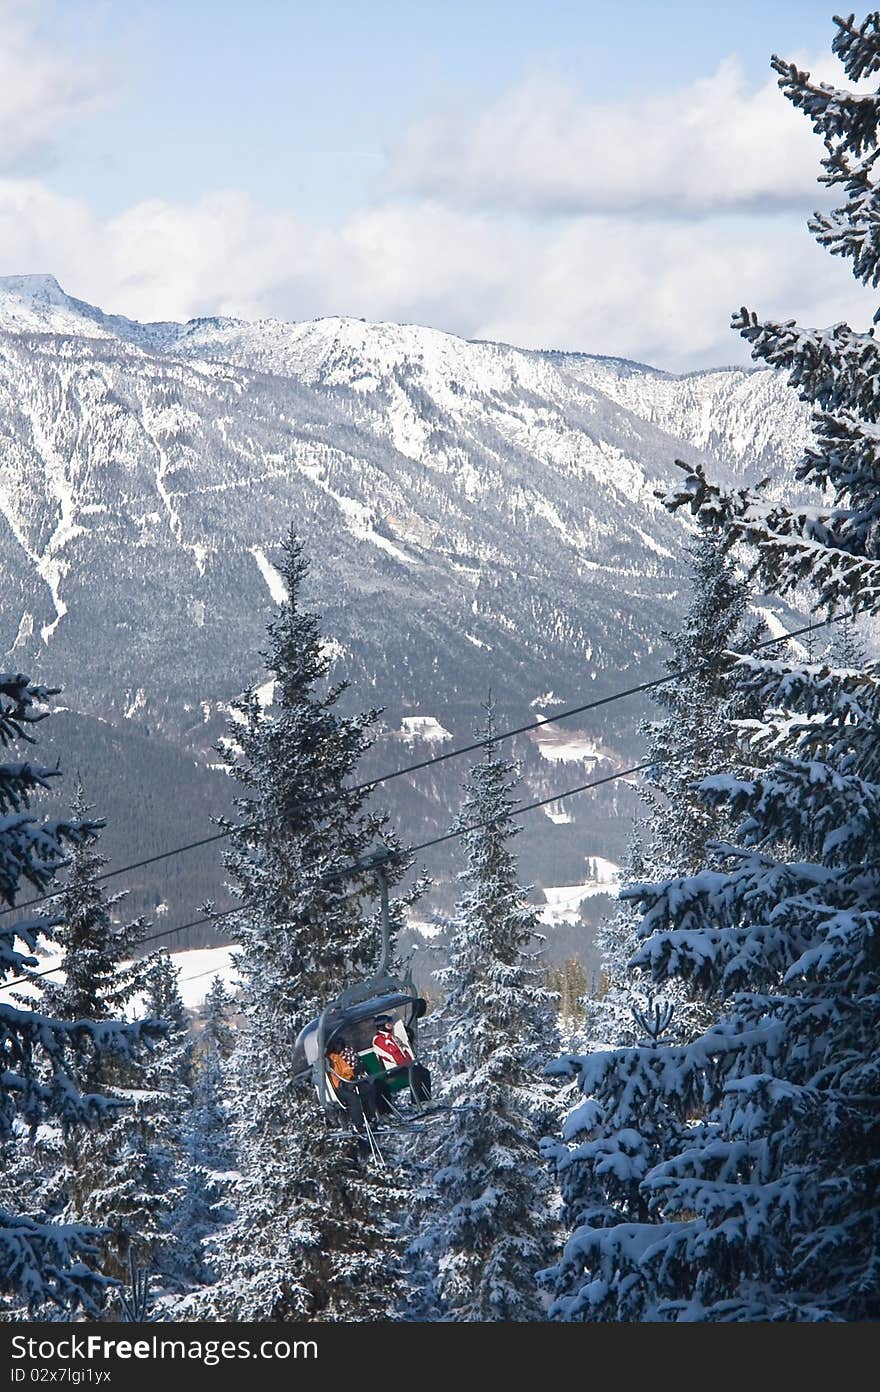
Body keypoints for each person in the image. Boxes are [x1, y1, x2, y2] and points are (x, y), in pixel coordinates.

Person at [326, 1033, 385, 1132]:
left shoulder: (340, 1056)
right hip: (339, 1086)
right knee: (353, 1098)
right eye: (337, 1045)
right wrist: (342, 1083)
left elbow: (348, 1070)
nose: (339, 1047)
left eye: (340, 1044)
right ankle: (358, 1125)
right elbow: (332, 1076)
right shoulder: (330, 1059)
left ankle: (370, 1117)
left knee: (368, 1089)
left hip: (349, 1080)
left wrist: (355, 1073)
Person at [372, 1014, 431, 1102]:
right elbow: (393, 1054)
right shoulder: (379, 1040)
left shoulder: (392, 1036)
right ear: (382, 1026)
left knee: (424, 1072)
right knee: (416, 1073)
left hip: (403, 1067)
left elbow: (404, 1051)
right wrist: (407, 1063)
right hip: (393, 1070)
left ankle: (426, 1100)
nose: (391, 1025)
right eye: (388, 1024)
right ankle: (417, 1102)